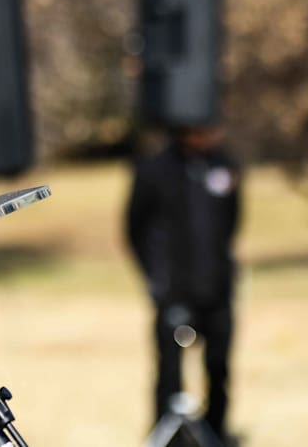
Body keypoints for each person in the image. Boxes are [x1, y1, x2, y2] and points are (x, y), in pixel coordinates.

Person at [125, 125, 242, 445]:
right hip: (174, 289)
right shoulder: (154, 169)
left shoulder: (224, 164)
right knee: (170, 373)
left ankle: (215, 432)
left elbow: (232, 220)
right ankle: (170, 437)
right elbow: (134, 228)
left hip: (217, 287)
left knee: (219, 367)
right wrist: (157, 277)